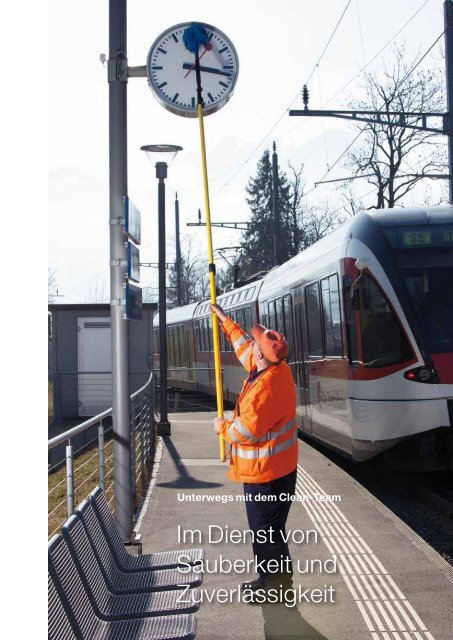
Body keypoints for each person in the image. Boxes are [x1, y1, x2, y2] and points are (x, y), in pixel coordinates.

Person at [211, 303, 298, 597]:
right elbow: (242, 346)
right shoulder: (275, 367)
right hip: (276, 470)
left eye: (257, 342)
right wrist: (225, 321)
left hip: (267, 475)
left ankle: (275, 587)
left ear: (261, 354)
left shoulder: (265, 389)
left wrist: (222, 426)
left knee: (266, 532)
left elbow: (245, 432)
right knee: (270, 531)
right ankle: (275, 582)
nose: (252, 345)